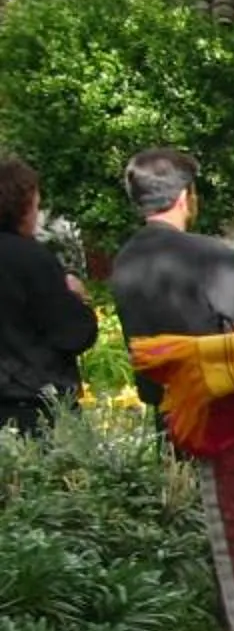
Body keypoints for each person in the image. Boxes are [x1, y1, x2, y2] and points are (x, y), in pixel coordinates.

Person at [107, 148, 234, 406]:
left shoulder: (125, 258)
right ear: (184, 197)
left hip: (168, 408)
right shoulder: (201, 253)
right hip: (216, 407)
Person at [0, 157, 98, 434]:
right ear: (21, 207)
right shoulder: (31, 258)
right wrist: (77, 297)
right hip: (35, 403)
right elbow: (74, 333)